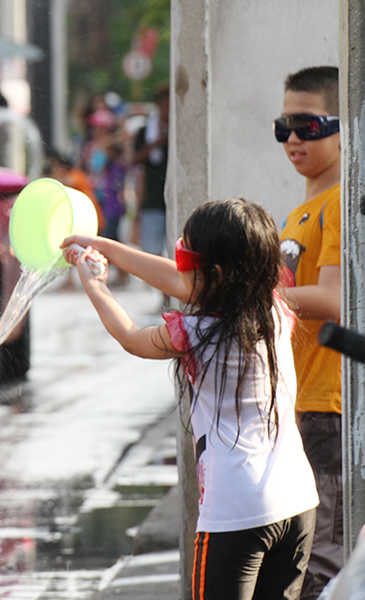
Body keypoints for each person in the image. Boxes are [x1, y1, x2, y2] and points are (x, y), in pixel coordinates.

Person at [62, 198, 319, 599]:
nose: (181, 271)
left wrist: (95, 284)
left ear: (213, 275)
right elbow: (181, 280)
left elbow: (131, 337)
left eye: (186, 260)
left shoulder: (196, 332)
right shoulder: (273, 309)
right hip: (297, 501)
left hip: (236, 510)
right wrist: (107, 246)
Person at [274, 65, 343, 600]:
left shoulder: (339, 204)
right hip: (301, 405)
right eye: (284, 127)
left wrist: (258, 297)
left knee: (322, 564)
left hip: (329, 408)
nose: (294, 138)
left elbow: (338, 300)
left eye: (309, 125)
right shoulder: (300, 212)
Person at [132, 82, 169, 257]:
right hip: (152, 200)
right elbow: (134, 159)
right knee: (152, 254)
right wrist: (156, 143)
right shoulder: (146, 132)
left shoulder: (180, 130)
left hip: (174, 198)